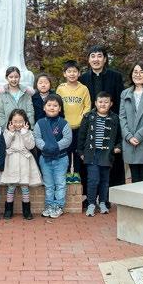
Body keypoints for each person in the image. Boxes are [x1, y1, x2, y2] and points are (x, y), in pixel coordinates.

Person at [79, 45, 126, 199]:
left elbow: (120, 102)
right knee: (90, 162)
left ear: (105, 59)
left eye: (99, 56)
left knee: (112, 160)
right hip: (91, 125)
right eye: (92, 56)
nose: (96, 59)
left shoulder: (115, 76)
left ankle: (111, 195)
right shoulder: (83, 79)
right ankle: (90, 196)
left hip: (111, 123)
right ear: (88, 59)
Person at [78, 92, 121, 216]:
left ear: (111, 104)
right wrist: (81, 152)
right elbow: (81, 136)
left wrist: (118, 147)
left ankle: (102, 202)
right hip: (91, 154)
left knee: (104, 180)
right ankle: (91, 203)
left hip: (106, 154)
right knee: (93, 180)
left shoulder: (115, 118)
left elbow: (120, 137)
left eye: (106, 102)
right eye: (100, 102)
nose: (103, 104)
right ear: (95, 103)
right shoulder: (88, 117)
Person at [0, 109, 42, 220]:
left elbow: (31, 146)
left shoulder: (28, 132)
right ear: (10, 122)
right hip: (11, 161)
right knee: (11, 187)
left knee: (25, 187)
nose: (18, 124)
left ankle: (27, 210)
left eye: (20, 121)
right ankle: (8, 210)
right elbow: (6, 145)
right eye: (15, 121)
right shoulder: (7, 132)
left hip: (24, 162)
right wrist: (11, 132)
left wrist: (25, 133)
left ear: (25, 121)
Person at [34, 94, 72, 219]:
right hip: (45, 159)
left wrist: (54, 147)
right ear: (44, 107)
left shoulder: (64, 123)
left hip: (61, 159)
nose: (52, 108)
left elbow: (67, 139)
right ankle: (49, 205)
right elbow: (37, 138)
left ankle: (59, 206)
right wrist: (45, 147)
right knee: (49, 184)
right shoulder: (39, 123)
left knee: (60, 183)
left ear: (60, 108)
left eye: (55, 105)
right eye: (49, 105)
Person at [56, 60, 91, 188]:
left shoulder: (83, 89)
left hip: (79, 126)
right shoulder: (60, 88)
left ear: (79, 73)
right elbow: (57, 104)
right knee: (65, 152)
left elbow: (87, 106)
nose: (72, 74)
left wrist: (83, 118)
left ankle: (75, 173)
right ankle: (65, 174)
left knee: (77, 152)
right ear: (64, 74)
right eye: (69, 71)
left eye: (74, 71)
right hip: (65, 127)